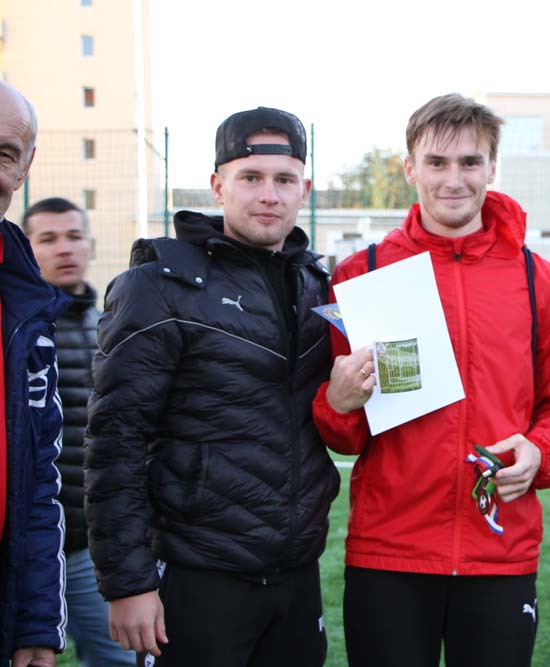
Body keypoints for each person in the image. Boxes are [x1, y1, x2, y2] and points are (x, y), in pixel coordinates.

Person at [312, 93, 550, 667]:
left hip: (500, 551)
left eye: (469, 162)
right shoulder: (362, 274)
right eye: (437, 162)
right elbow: (346, 435)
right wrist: (337, 402)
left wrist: (540, 452)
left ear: (492, 168)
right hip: (389, 554)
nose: (453, 179)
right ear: (410, 168)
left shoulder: (540, 281)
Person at [84, 107, 340, 667]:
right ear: (218, 186)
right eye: (250, 177)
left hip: (296, 575)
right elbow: (116, 439)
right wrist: (128, 582)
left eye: (285, 179)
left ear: (304, 191)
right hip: (198, 574)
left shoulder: (317, 286)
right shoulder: (158, 286)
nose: (268, 194)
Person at [23, 198, 135, 666]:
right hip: (24, 546)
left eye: (73, 236)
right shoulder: (16, 329)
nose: (64, 248)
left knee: (118, 658)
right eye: (47, 239)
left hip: (90, 544)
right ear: (26, 250)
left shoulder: (112, 326)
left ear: (90, 245)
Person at [0, 82, 68, 667]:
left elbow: (37, 483)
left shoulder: (28, 307)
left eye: (3, 154)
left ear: (24, 168)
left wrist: (36, 624)